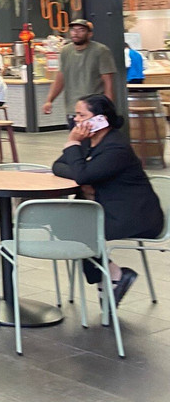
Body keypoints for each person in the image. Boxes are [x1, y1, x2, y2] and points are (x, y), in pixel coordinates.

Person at [52, 94, 163, 303]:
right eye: (76, 115)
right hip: (106, 209)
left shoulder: (116, 147)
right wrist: (83, 177)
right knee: (62, 223)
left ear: (100, 119)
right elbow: (58, 166)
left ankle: (111, 276)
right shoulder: (88, 141)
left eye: (81, 115)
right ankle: (111, 276)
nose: (75, 120)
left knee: (72, 227)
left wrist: (73, 145)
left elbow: (83, 174)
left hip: (133, 216)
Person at [42, 19, 117, 125]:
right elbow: (60, 78)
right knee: (75, 135)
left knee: (93, 136)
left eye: (81, 30)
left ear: (89, 34)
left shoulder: (101, 51)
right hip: (73, 109)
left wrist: (109, 109)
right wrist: (49, 100)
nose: (76, 33)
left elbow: (108, 83)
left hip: (93, 109)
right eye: (73, 30)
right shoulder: (66, 51)